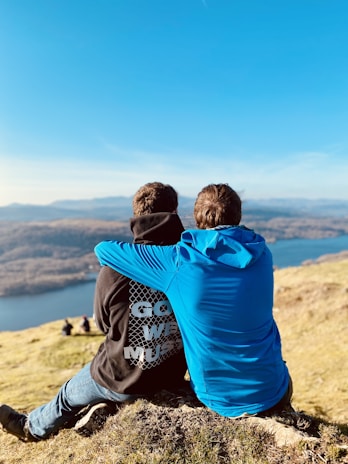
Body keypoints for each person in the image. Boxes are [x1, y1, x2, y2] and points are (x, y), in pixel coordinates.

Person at [0, 182, 187, 442]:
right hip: (171, 373)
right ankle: (101, 407)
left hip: (121, 378)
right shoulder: (190, 265)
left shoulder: (114, 271)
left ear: (135, 217)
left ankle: (30, 427)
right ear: (174, 212)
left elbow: (104, 324)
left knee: (66, 395)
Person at [93, 183, 293, 418]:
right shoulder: (260, 253)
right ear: (237, 215)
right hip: (275, 387)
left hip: (219, 399)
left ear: (197, 217)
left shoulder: (180, 261)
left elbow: (104, 249)